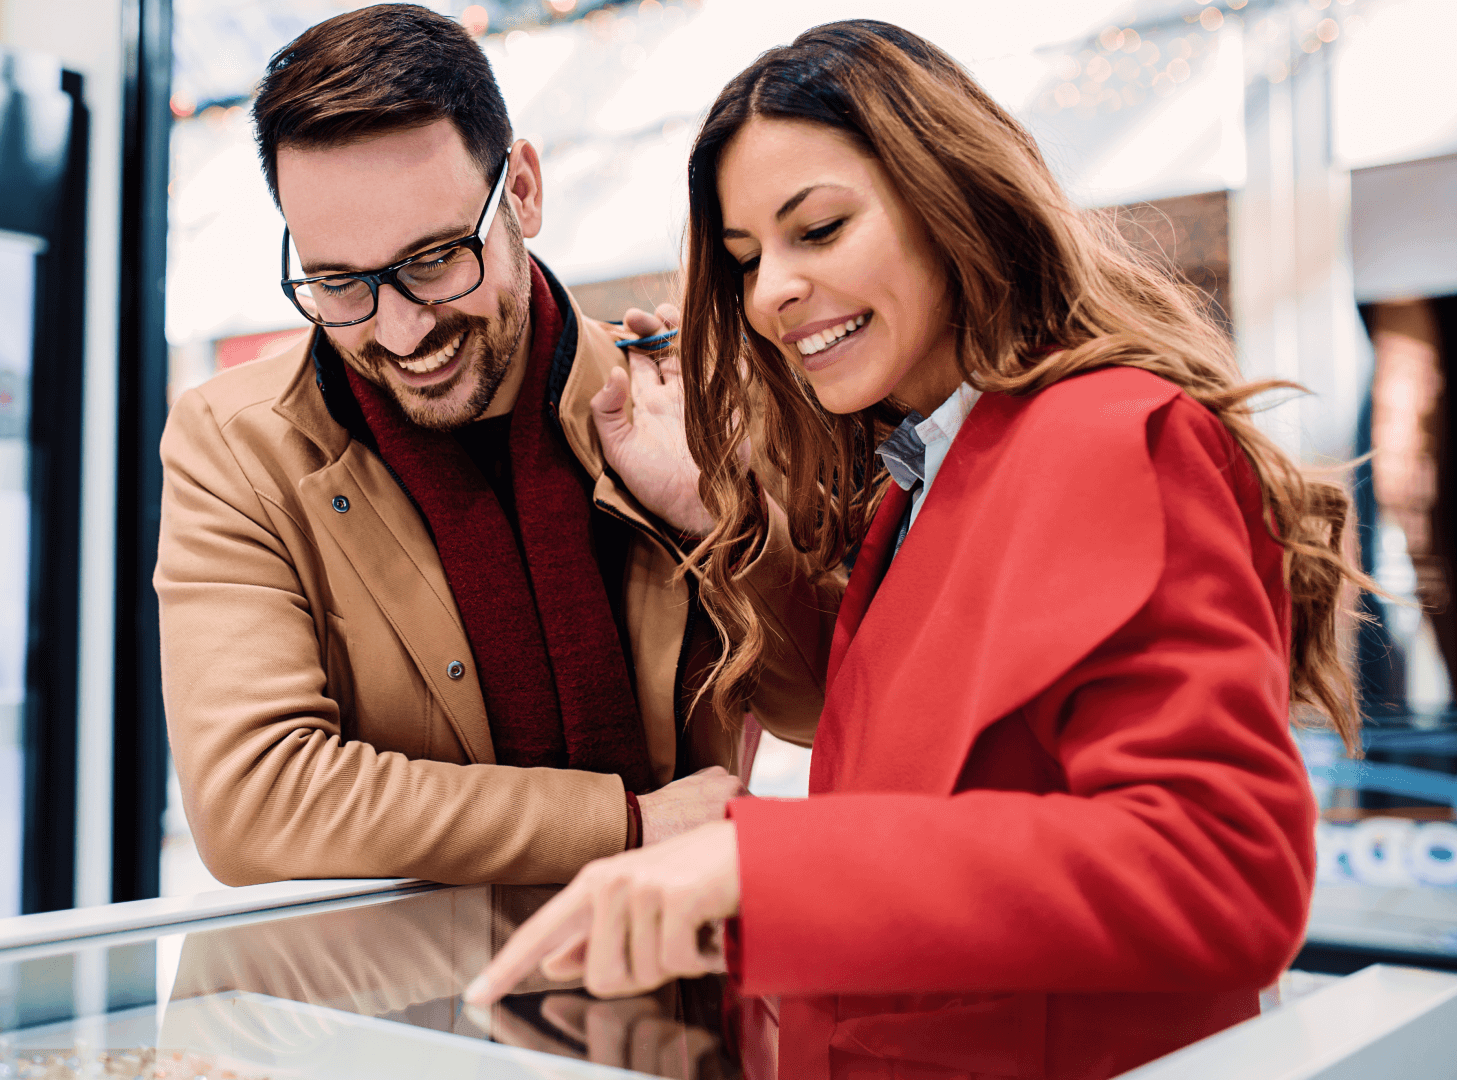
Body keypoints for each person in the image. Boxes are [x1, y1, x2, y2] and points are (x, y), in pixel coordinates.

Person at [469, 20, 1363, 1079]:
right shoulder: (919, 483)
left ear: (951, 202)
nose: (770, 294)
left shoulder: (1111, 437)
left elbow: (1219, 869)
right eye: (749, 260)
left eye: (821, 229)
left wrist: (761, 868)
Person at [155, 5, 834, 887]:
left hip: (687, 995)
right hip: (391, 1007)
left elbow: (819, 706)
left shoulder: (688, 396)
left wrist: (717, 518)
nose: (398, 331)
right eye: (337, 283)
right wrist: (626, 825)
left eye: (435, 259)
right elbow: (255, 801)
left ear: (521, 191)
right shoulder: (234, 446)